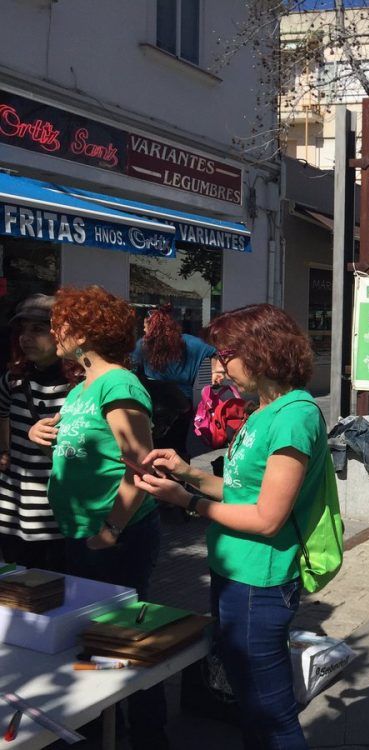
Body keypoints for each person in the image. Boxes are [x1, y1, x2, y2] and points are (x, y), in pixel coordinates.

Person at [135, 304, 329, 749]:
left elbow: (266, 518)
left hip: (258, 580)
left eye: (225, 355)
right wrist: (186, 471)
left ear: (259, 352)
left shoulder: (293, 416)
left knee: (271, 712)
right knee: (250, 705)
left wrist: (186, 502)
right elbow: (242, 490)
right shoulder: (263, 410)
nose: (218, 367)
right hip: (234, 571)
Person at [27, 286, 167, 749]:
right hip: (82, 534)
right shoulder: (83, 386)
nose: (52, 331)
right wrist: (41, 431)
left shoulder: (118, 383)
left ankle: (148, 737)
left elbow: (142, 466)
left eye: (61, 323)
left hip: (114, 539)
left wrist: (111, 529)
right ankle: (104, 730)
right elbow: (86, 443)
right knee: (94, 646)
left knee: (123, 646)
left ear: (87, 330)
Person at [0, 295, 78, 570]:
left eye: (37, 329)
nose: (25, 337)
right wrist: (4, 449)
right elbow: (2, 412)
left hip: (56, 515)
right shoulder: (14, 379)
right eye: (22, 329)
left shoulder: (78, 388)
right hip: (12, 510)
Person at [132, 304, 216, 458]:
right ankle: (181, 478)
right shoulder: (193, 343)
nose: (143, 331)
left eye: (145, 327)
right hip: (183, 405)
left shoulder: (143, 345)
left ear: (152, 327)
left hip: (154, 405)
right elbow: (216, 352)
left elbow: (133, 371)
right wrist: (215, 372)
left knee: (154, 449)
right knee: (178, 448)